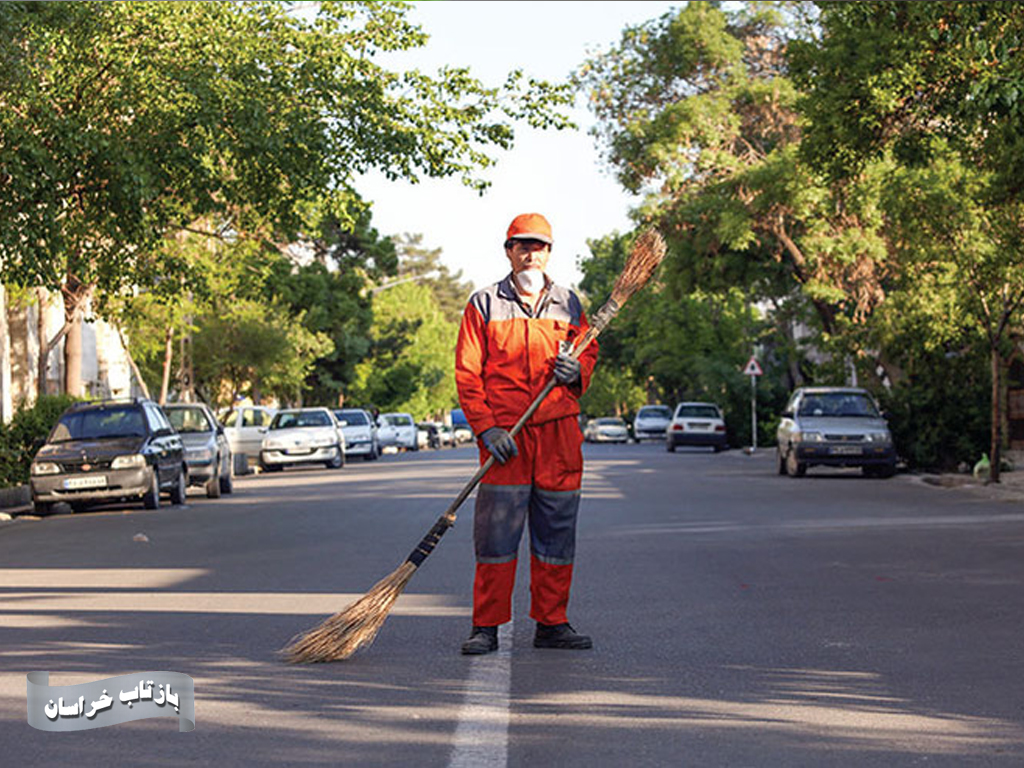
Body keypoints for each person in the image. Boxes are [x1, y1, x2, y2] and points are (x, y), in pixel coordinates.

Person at [454, 212, 599, 655]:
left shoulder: (570, 303)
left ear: (549, 253)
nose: (531, 253)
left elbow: (589, 350)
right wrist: (487, 428)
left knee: (556, 535)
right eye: (522, 245)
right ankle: (487, 626)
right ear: (508, 251)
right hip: (507, 440)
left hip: (558, 436)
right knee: (496, 539)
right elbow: (467, 373)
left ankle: (552, 623)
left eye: (539, 246)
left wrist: (578, 371)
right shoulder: (484, 304)